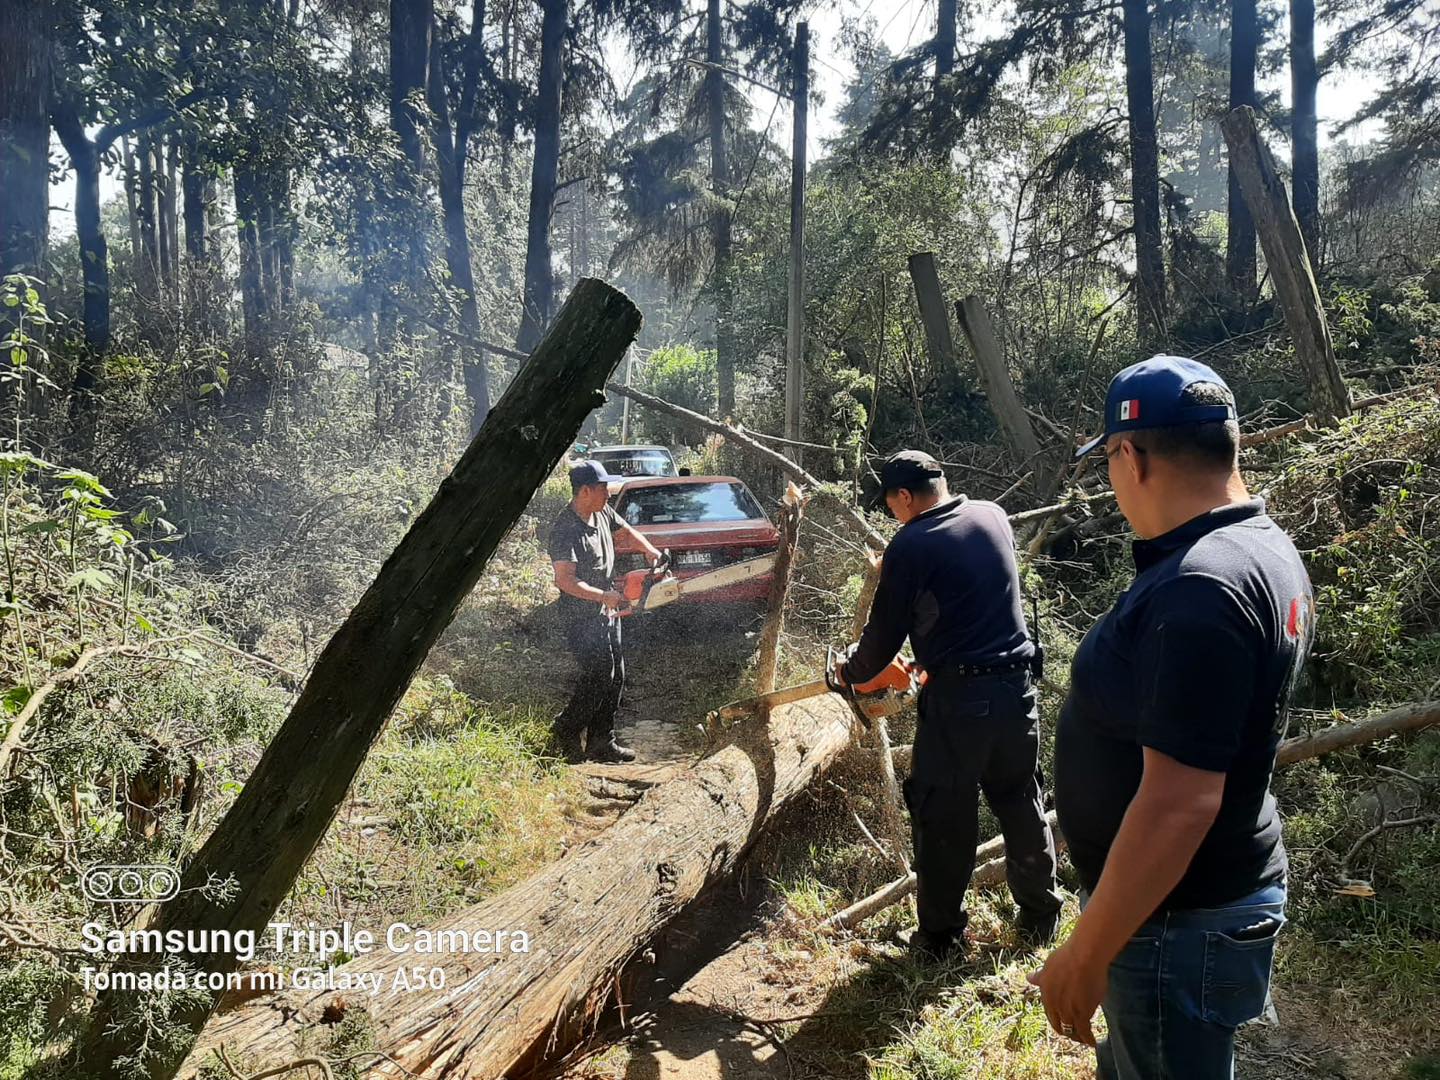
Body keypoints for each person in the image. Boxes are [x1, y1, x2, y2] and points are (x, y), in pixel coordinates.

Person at [1029, 357, 1315, 1079]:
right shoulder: (1261, 548)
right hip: (1184, 910)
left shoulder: (1202, 586)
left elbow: (1180, 802)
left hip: (1173, 926)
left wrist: (1084, 954)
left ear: (1130, 455)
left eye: (1109, 464)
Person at [836, 450, 1063, 960]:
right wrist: (930, 659)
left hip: (962, 702)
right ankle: (1041, 917)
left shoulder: (912, 543)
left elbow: (880, 642)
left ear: (904, 496)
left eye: (890, 503)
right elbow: (970, 606)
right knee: (1021, 801)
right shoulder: (992, 516)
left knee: (943, 816)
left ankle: (939, 941)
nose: (891, 513)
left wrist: (846, 674)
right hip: (1018, 688)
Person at [548, 459, 663, 764]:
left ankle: (601, 741)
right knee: (600, 674)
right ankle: (565, 729)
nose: (608, 494)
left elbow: (624, 532)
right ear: (585, 491)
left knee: (616, 676)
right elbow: (564, 579)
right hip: (580, 613)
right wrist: (603, 596)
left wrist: (648, 550)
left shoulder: (601, 513)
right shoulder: (565, 529)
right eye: (603, 489)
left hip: (606, 606)